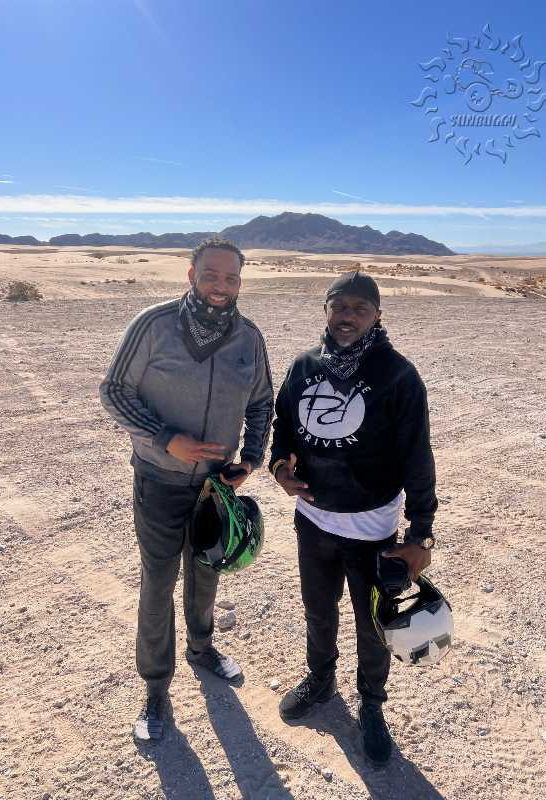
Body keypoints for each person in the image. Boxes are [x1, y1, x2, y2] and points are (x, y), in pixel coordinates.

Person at [99, 237, 273, 740]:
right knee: (158, 583)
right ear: (191, 274)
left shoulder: (249, 338)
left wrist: (251, 459)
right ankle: (156, 688)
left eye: (231, 277)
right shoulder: (153, 325)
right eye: (211, 274)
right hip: (159, 480)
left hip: (215, 487)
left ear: (240, 282)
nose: (221, 285)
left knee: (207, 572)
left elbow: (262, 401)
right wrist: (164, 438)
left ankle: (202, 647)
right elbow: (114, 391)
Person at [268, 271, 437, 767]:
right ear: (326, 310)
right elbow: (284, 423)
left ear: (377, 315)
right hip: (313, 520)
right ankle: (321, 680)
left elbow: (418, 455)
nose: (348, 317)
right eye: (339, 306)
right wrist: (279, 466)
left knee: (372, 625)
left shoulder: (398, 375)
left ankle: (372, 705)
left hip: (372, 530)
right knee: (318, 611)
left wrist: (421, 533)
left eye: (360, 309)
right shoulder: (305, 365)